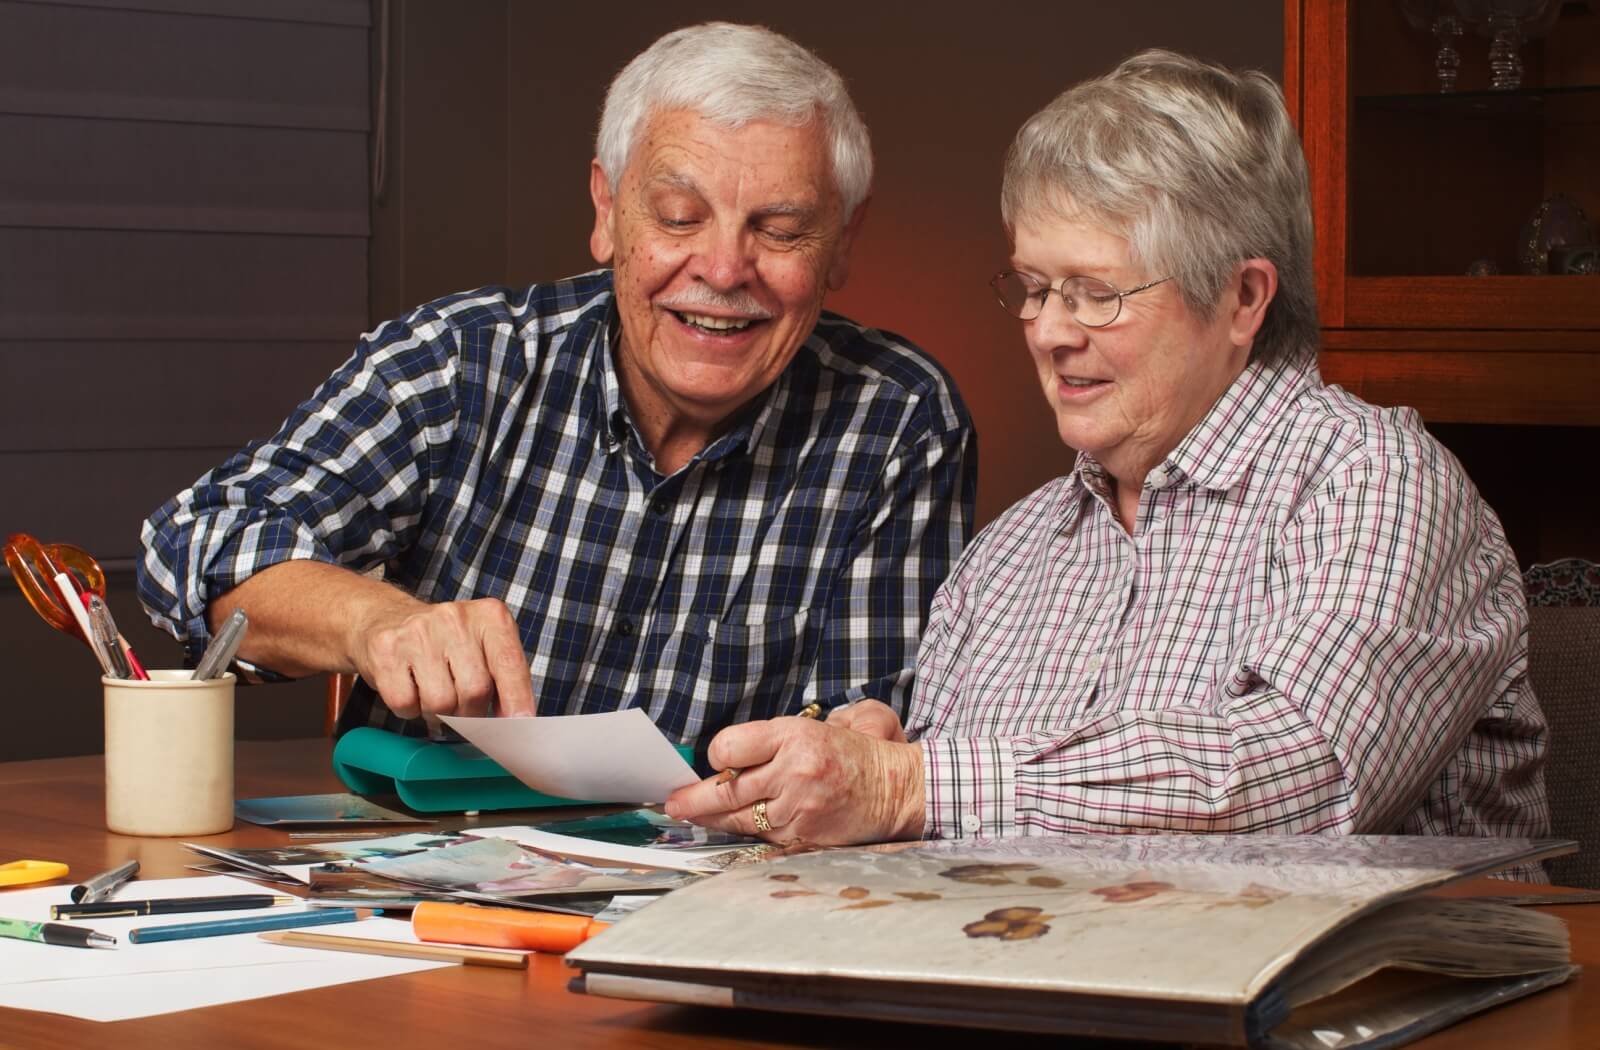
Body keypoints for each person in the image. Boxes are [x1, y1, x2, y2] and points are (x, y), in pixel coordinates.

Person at [666, 50, 1550, 870]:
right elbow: (951, 823)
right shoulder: (1011, 552)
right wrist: (886, 759)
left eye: (1096, 294)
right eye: (1036, 288)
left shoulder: (1378, 481)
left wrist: (912, 787)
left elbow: (1309, 780)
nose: (1049, 332)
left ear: (1242, 298)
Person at [137, 23, 975, 759]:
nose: (723, 270)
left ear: (841, 244)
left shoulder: (898, 419)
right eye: (679, 217)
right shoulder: (463, 360)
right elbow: (197, 542)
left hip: (718, 895)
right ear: (608, 212)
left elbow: (871, 728)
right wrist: (375, 622)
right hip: (423, 881)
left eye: (781, 230)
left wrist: (859, 755)